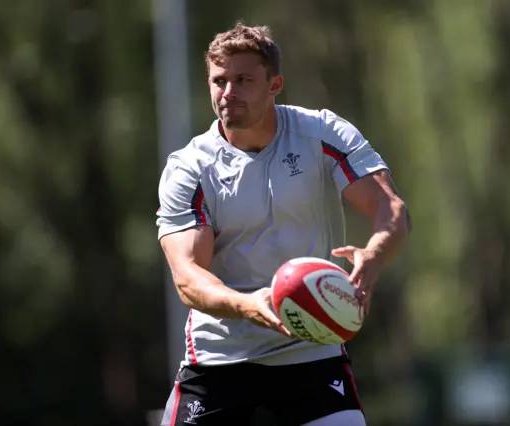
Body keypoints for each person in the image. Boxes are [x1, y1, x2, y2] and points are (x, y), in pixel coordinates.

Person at [156, 22, 410, 426]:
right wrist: (248, 305)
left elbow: (391, 209)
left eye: (243, 80)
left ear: (275, 85)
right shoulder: (191, 167)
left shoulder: (321, 133)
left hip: (312, 344)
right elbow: (188, 276)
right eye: (219, 81)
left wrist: (373, 255)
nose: (228, 93)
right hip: (221, 354)